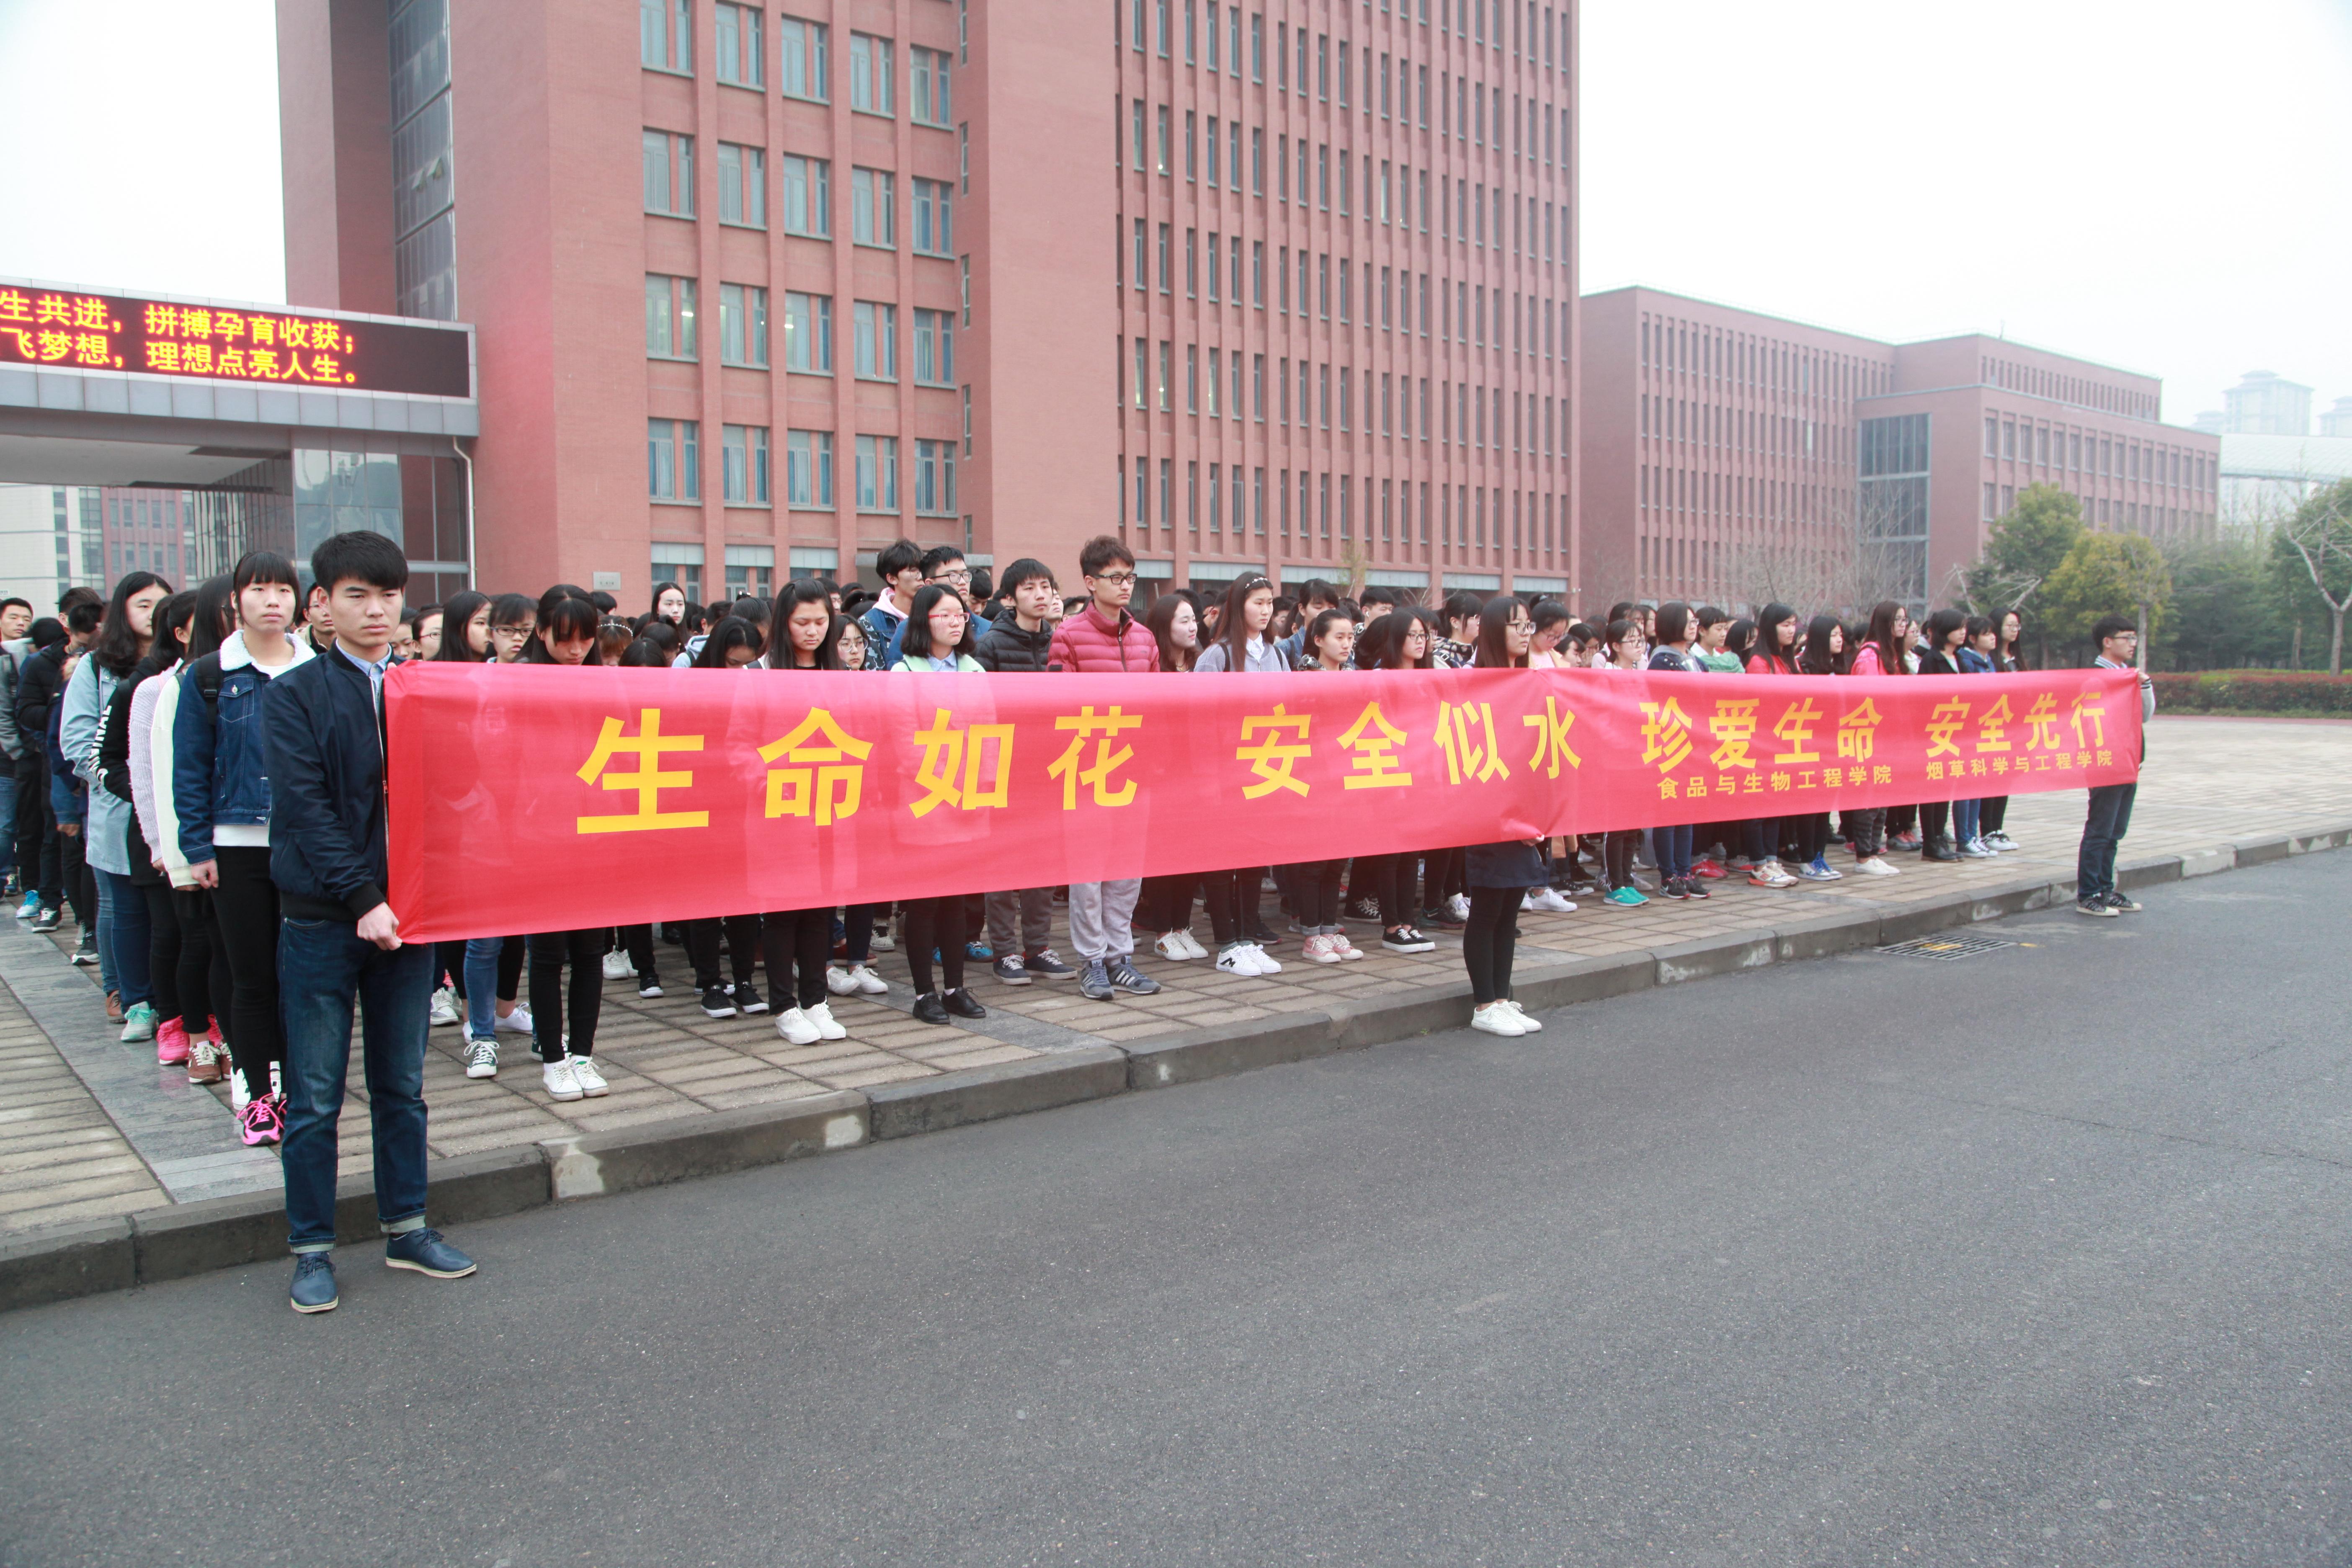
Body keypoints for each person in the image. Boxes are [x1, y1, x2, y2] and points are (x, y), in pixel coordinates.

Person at [264, 529, 477, 1313]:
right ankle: (311, 1248)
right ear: (322, 603)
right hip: (325, 920)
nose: (376, 610)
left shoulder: (423, 688)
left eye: (389, 595)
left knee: (403, 1085)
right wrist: (363, 900)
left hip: (410, 919)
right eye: (357, 594)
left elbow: (457, 789)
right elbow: (307, 811)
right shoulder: (294, 694)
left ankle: (407, 1228)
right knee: (316, 1095)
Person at [175, 553, 312, 1144]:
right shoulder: (210, 675)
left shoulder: (317, 669)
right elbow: (189, 766)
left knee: (302, 977)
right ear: (236, 600)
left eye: (283, 589)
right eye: (259, 589)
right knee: (251, 977)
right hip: (236, 847)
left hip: (306, 845)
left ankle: (301, 1090)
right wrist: (196, 847)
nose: (272, 600)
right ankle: (259, 1097)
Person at [1045, 537, 1163, 1002]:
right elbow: (1058, 705)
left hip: (1134, 769)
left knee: (1127, 872)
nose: (1125, 585)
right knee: (1088, 873)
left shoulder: (1144, 637)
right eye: (1115, 577)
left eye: (1130, 577)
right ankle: (1092, 961)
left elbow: (1158, 704)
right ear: (1090, 582)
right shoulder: (1069, 635)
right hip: (1087, 768)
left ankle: (1120, 956)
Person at [514, 596, 614, 1099]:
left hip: (594, 833)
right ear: (542, 633)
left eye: (586, 639)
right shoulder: (520, 684)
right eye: (565, 639)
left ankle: (583, 1054)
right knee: (549, 954)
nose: (577, 650)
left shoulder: (604, 685)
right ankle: (552, 1057)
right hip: (541, 839)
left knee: (591, 952)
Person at [64, 571, 172, 1023]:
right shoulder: (98, 666)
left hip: (172, 807)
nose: (153, 614)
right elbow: (77, 742)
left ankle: (163, 1000)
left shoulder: (184, 661)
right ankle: (123, 992)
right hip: (117, 803)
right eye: (142, 605)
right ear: (121, 612)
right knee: (119, 903)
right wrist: (126, 783)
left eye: (160, 604)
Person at [889, 584, 991, 1025]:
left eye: (960, 615)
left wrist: (979, 787)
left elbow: (988, 737)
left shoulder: (974, 670)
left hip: (968, 801)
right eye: (945, 615)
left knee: (956, 900)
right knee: (924, 902)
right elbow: (903, 741)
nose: (955, 622)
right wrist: (947, 782)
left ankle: (955, 988)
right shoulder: (904, 673)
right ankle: (923, 993)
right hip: (925, 801)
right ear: (923, 620)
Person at [98, 591, 194, 1051]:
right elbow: (108, 759)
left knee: (201, 935)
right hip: (152, 829)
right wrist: (150, 800)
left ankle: (205, 1021)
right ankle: (164, 1016)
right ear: (179, 631)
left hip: (202, 828)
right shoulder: (144, 687)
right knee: (166, 930)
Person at [973, 560, 1075, 984]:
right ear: (1010, 598)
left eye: (1046, 586)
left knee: (1044, 863)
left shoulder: (1059, 641)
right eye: (1030, 588)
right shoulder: (991, 645)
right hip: (1004, 771)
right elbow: (979, 711)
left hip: (1050, 769)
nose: (1040, 595)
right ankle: (1004, 952)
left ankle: (1038, 947)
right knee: (1002, 865)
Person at [1186, 575, 1287, 977]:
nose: (1265, 610)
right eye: (1257, 602)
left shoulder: (1276, 655)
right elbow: (1198, 720)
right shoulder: (1218, 655)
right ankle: (1227, 943)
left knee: (1253, 856)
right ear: (1238, 605)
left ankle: (1247, 938)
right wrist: (1207, 777)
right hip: (1223, 773)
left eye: (1269, 603)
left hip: (1263, 771)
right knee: (1221, 857)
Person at [1462, 598, 1546, 1037]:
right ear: (1496, 631)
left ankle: (1501, 997)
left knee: (1510, 911)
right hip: (1490, 813)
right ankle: (1484, 1004)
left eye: (1528, 626)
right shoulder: (1477, 683)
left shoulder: (1531, 681)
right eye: (1516, 626)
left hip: (1525, 812)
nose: (1525, 634)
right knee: (1488, 909)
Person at [1292, 609, 1366, 962]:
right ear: (1319, 640)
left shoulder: (1355, 679)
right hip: (1314, 780)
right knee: (1314, 862)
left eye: (1350, 637)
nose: (1347, 644)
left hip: (1346, 778)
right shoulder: (1303, 680)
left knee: (1337, 862)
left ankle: (1329, 929)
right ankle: (1311, 935)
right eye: (1339, 637)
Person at [2077, 614, 2153, 918]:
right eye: (2127, 638)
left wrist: (2145, 687)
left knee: (2115, 832)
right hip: (2106, 762)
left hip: (2129, 761)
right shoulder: (2095, 677)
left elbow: (2144, 716)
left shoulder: (2128, 675)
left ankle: (2105, 889)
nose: (2133, 643)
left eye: (2134, 638)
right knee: (2100, 829)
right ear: (2108, 642)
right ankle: (2089, 894)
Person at [1642, 603, 1707, 901]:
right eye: (1688, 621)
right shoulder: (1662, 660)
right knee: (1668, 813)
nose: (1694, 626)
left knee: (1687, 812)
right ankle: (1668, 875)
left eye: (1696, 621)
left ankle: (1685, 871)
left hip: (1693, 743)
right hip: (1670, 743)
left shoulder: (1695, 660)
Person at [1839, 601, 1908, 877]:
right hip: (1871, 736)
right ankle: (1864, 855)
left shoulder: (1892, 654)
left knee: (1883, 798)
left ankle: (1874, 852)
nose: (1903, 625)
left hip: (1889, 735)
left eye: (1905, 620)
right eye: (1898, 620)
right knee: (1869, 798)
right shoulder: (1870, 655)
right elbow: (1866, 697)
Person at [1790, 615, 1847, 880]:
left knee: (1826, 805)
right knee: (1809, 806)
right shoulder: (1804, 667)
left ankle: (1819, 856)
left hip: (1833, 745)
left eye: (1841, 635)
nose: (1839, 640)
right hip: (1809, 746)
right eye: (1834, 635)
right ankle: (1806, 858)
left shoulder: (1838, 668)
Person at [1913, 609, 1969, 863]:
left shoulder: (1961, 660)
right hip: (1935, 733)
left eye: (1964, 628)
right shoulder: (1931, 661)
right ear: (1945, 631)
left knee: (1946, 787)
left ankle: (1941, 838)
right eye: (1958, 628)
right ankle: (1931, 841)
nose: (1963, 633)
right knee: (1932, 789)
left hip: (1955, 732)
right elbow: (1924, 698)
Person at [1950, 614, 2001, 859]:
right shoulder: (1966, 661)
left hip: (1986, 728)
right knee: (1965, 784)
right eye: (1986, 634)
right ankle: (1964, 838)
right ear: (1973, 639)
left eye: (1993, 633)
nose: (1993, 638)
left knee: (1978, 782)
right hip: (1968, 730)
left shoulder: (1989, 662)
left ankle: (1973, 836)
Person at [1978, 610, 2025, 852]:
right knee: (1991, 778)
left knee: (2006, 778)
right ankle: (1987, 830)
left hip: (2013, 728)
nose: (2015, 630)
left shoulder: (2016, 658)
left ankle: (1997, 828)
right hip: (1993, 727)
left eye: (2018, 626)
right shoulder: (1990, 660)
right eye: (2010, 626)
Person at [882, 546, 972, 667]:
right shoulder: (908, 628)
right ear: (929, 584)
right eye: (953, 576)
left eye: (965, 575)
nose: (962, 582)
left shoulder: (985, 628)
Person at [858, 539, 925, 670]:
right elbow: (874, 674)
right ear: (892, 578)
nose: (921, 576)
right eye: (913, 570)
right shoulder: (870, 623)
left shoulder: (935, 616)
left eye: (923, 570)